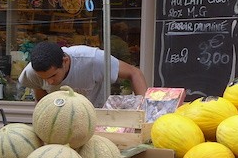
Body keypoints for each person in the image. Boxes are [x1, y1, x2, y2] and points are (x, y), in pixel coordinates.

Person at [18, 41, 147, 108]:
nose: (49, 82)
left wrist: (144, 112)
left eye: (53, 76)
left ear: (65, 61)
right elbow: (42, 102)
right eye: (44, 78)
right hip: (61, 123)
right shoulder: (32, 72)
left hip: (98, 120)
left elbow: (134, 73)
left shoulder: (93, 59)